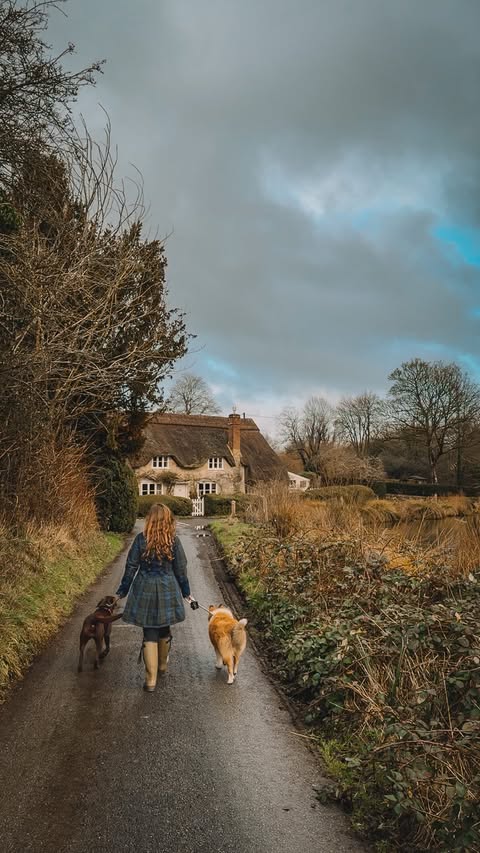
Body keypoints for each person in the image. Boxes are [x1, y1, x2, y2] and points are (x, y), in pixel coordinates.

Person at [115, 503, 195, 692]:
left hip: (145, 588)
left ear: (149, 520)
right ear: (168, 520)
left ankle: (150, 681)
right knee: (164, 626)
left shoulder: (141, 540)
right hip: (168, 586)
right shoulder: (174, 541)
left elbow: (131, 567)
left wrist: (122, 591)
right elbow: (181, 570)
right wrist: (186, 593)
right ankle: (162, 666)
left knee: (149, 630)